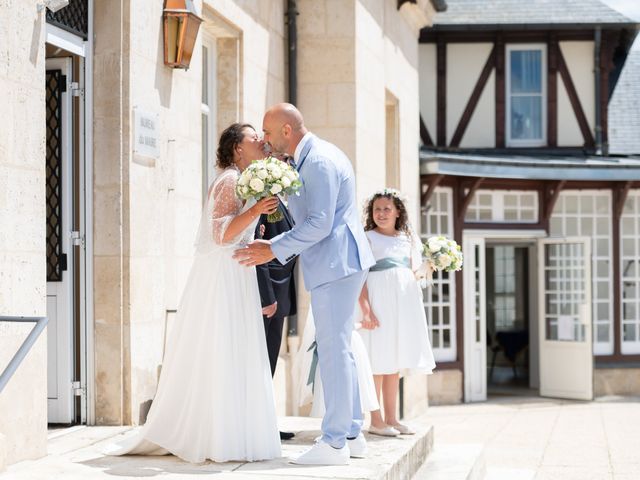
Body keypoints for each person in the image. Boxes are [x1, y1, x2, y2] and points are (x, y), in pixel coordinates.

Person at [106, 124, 282, 463]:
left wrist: (254, 220)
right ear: (236, 148)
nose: (260, 138)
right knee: (220, 349)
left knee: (237, 351)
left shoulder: (243, 179)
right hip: (223, 276)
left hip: (239, 274)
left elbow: (238, 230)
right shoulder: (229, 180)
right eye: (251, 135)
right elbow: (219, 235)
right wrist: (256, 211)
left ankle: (238, 432)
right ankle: (214, 437)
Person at [234, 103, 376, 466]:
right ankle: (351, 435)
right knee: (338, 349)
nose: (264, 139)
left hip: (336, 263)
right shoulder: (308, 158)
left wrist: (272, 249)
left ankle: (333, 443)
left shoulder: (319, 161)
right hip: (337, 263)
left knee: (332, 350)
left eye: (267, 132)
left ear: (286, 131)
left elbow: (319, 223)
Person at [358, 188, 436, 437]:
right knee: (377, 361)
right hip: (377, 301)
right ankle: (376, 420)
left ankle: (392, 418)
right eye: (377, 209)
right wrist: (366, 310)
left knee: (393, 362)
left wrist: (431, 264)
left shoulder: (407, 238)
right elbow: (358, 274)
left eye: (386, 209)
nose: (381, 214)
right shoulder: (367, 237)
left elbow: (414, 273)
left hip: (402, 303)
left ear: (397, 212)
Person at [255, 181, 297, 441]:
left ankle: (266, 422)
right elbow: (257, 247)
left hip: (282, 294)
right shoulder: (263, 199)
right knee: (260, 361)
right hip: (268, 295)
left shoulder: (283, 199)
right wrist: (266, 296)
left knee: (269, 361)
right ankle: (258, 424)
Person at [295, 308, 379, 419]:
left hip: (349, 338)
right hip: (339, 338)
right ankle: (341, 424)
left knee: (354, 383)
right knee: (341, 382)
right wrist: (360, 323)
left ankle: (352, 424)